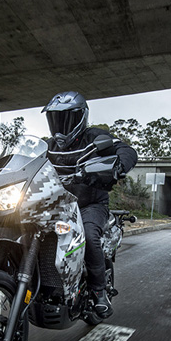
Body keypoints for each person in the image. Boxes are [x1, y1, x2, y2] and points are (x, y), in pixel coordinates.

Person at [42, 91, 137, 319]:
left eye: (67, 119)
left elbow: (126, 150)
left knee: (89, 237)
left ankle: (99, 292)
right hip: (57, 204)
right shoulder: (49, 145)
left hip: (89, 204)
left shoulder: (95, 138)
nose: (61, 126)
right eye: (56, 119)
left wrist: (117, 167)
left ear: (81, 118)